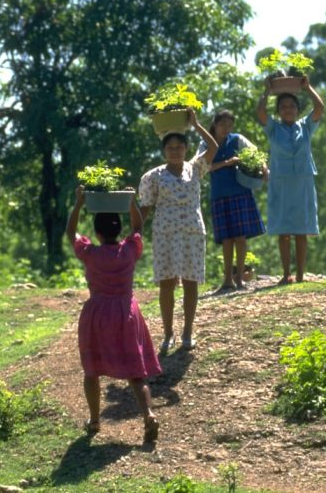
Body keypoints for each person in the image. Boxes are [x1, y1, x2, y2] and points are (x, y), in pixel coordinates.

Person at [66, 185, 161, 443]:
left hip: (97, 313)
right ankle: (149, 414)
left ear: (96, 233)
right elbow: (139, 229)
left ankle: (95, 420)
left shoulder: (91, 254)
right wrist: (130, 203)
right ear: (119, 230)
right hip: (125, 311)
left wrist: (78, 203)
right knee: (136, 372)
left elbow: (70, 232)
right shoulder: (129, 250)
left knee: (91, 370)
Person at [138, 108, 218, 355]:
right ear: (164, 151)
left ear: (185, 149)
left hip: (192, 233)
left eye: (179, 147)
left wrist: (195, 124)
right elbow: (146, 207)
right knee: (167, 284)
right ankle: (168, 333)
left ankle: (187, 332)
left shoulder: (195, 168)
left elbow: (213, 147)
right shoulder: (153, 177)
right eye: (170, 147)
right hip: (165, 235)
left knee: (191, 282)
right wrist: (135, 234)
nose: (175, 151)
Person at [256, 76, 325, 284]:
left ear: (297, 109)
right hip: (281, 183)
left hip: (303, 181)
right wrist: (267, 91)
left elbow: (320, 108)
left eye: (292, 106)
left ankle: (302, 274)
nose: (288, 109)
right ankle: (286, 273)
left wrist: (308, 87)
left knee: (301, 230)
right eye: (284, 107)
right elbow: (260, 112)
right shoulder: (274, 128)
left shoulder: (305, 126)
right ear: (279, 111)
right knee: (284, 230)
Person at [198, 109, 267, 290]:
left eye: (229, 125)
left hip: (240, 193)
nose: (226, 129)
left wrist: (264, 169)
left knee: (240, 238)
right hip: (219, 195)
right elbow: (201, 168)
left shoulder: (237, 139)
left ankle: (239, 279)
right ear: (215, 125)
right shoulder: (205, 144)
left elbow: (256, 155)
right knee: (226, 240)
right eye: (222, 125)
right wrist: (227, 163)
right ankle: (227, 279)